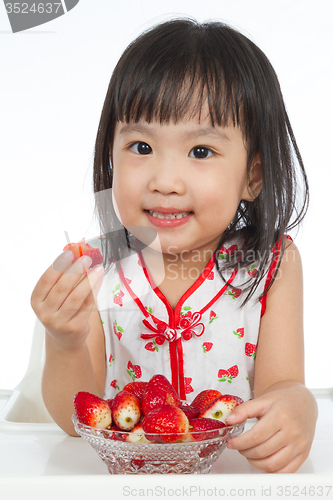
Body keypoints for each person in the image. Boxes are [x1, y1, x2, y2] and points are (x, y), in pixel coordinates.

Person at [31, 18, 318, 473]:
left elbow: (283, 386)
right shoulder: (98, 265)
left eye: (201, 152)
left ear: (253, 176)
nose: (164, 182)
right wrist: (64, 341)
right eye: (141, 147)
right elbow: (73, 420)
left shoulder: (271, 263)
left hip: (230, 480)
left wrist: (299, 407)